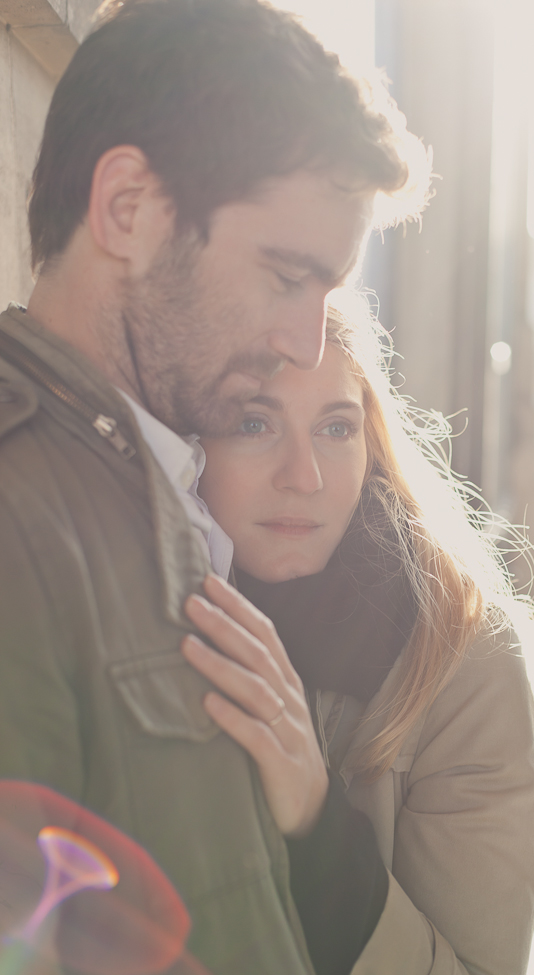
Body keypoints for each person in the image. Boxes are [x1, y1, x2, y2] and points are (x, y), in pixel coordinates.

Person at [0, 1, 429, 970]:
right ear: (127, 210)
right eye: (285, 276)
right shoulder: (22, 506)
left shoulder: (157, 478)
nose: (304, 343)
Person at [183, 302, 534, 975]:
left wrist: (316, 825)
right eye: (255, 422)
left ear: (371, 444)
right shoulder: (142, 612)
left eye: (335, 427)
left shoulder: (464, 662)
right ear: (192, 445)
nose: (305, 474)